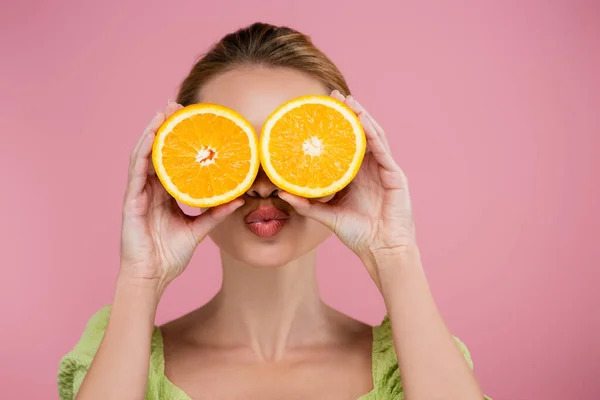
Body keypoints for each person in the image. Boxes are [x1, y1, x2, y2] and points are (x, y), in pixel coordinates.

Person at [58, 22, 489, 400]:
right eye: (234, 151)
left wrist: (396, 255)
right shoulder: (122, 361)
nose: (263, 184)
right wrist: (141, 278)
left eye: (290, 151)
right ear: (180, 167)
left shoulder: (418, 363)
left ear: (347, 160)